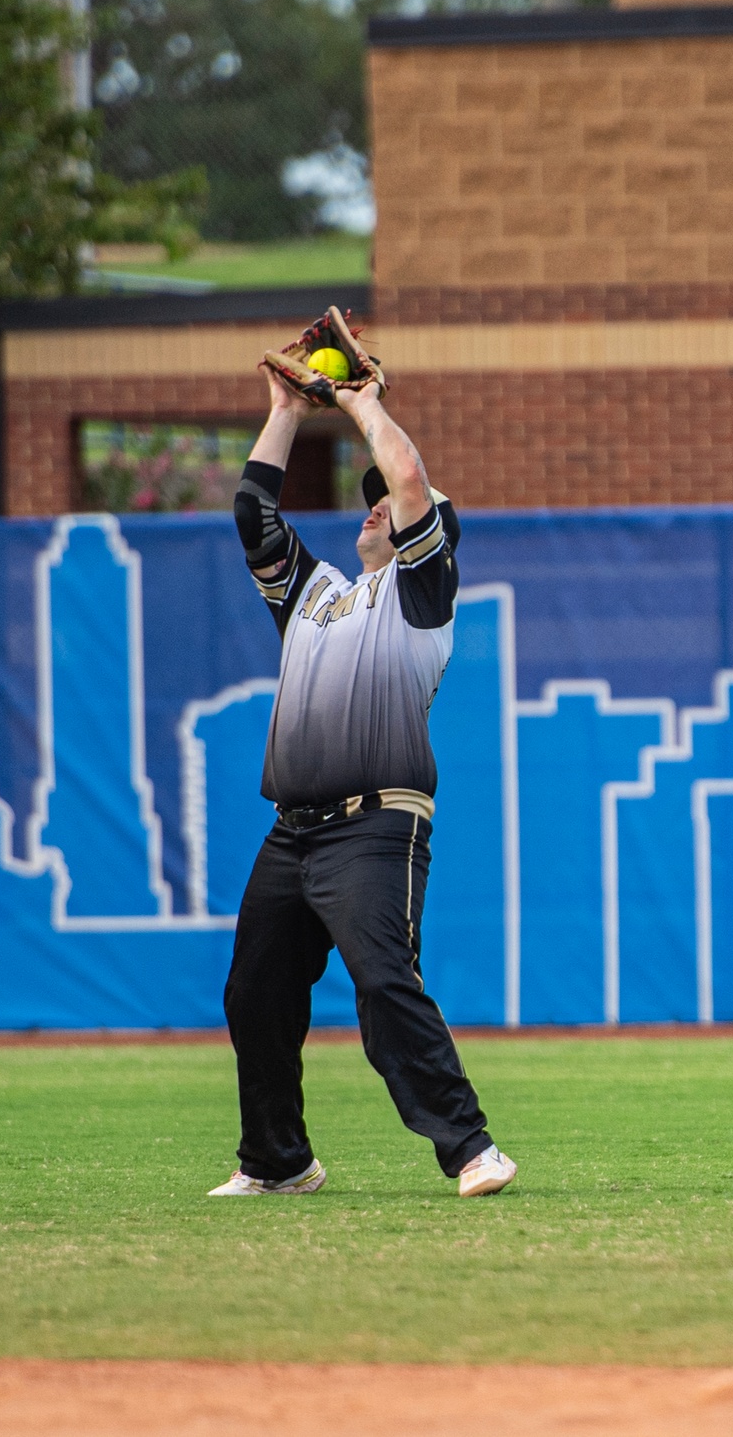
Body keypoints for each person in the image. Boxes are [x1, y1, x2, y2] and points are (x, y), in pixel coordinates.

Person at [208, 364, 517, 1199]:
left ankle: (472, 1149)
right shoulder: (315, 594)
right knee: (255, 991)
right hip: (293, 829)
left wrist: (361, 405)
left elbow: (410, 479)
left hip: (375, 825)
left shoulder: (423, 593)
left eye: (392, 500)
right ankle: (278, 1162)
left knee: (382, 980)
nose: (376, 502)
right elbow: (253, 513)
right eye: (368, 496)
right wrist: (286, 410)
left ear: (431, 531)